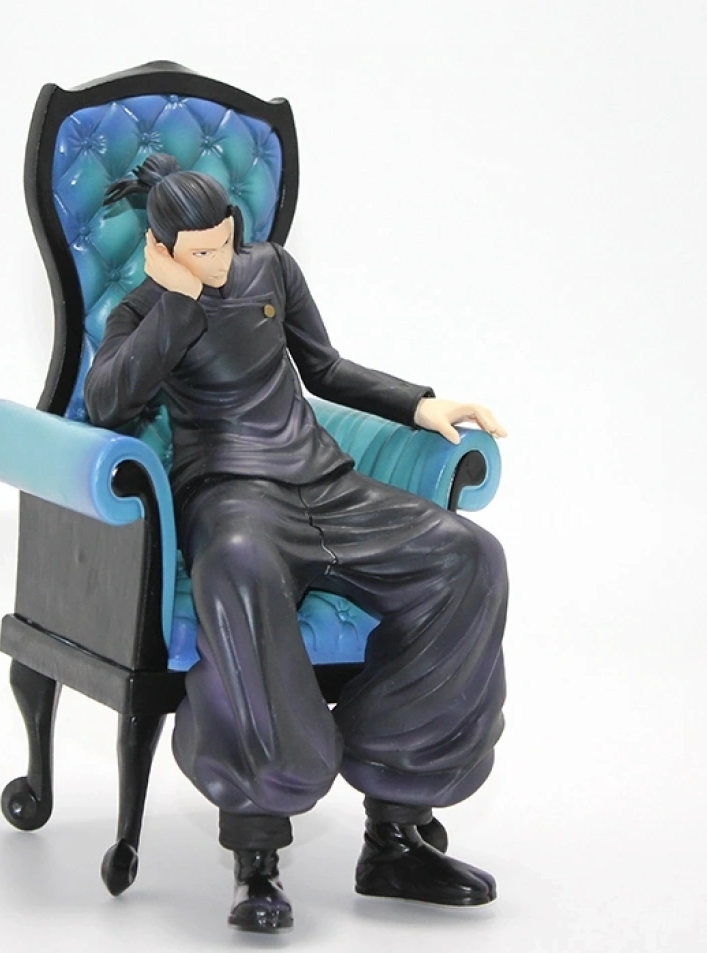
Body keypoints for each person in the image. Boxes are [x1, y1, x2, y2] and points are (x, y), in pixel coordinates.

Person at [84, 154, 509, 933]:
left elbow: (325, 367)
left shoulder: (271, 269)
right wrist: (176, 301)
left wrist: (419, 404)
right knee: (237, 571)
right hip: (230, 495)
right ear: (164, 249)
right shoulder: (143, 314)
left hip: (325, 481)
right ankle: (257, 856)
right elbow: (109, 402)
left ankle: (395, 832)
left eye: (223, 242)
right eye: (199, 253)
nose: (218, 261)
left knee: (468, 558)